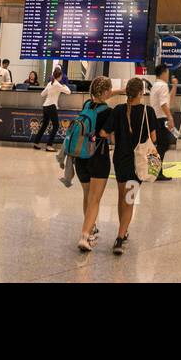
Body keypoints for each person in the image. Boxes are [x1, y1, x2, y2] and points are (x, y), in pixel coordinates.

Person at [105, 77, 161, 255]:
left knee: (122, 197)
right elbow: (153, 139)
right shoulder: (148, 111)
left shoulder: (118, 110)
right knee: (129, 200)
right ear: (141, 93)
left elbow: (106, 133)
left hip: (120, 159)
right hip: (138, 163)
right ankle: (120, 238)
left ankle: (124, 229)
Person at [75, 77, 114, 253]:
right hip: (99, 156)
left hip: (80, 156)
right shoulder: (109, 112)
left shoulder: (86, 105)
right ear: (106, 92)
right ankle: (84, 235)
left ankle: (90, 230)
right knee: (95, 199)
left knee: (87, 195)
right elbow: (108, 135)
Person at [148, 65, 176, 181]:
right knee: (163, 144)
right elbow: (164, 104)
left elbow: (169, 101)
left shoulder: (155, 85)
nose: (168, 75)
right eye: (167, 72)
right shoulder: (163, 85)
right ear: (164, 73)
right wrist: (170, 118)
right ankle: (156, 172)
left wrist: (174, 86)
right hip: (161, 119)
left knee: (160, 145)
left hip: (155, 119)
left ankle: (155, 171)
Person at [33, 66, 69, 150]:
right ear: (60, 76)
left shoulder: (50, 83)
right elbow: (68, 92)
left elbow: (42, 94)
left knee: (44, 125)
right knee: (56, 126)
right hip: (52, 106)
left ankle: (36, 142)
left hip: (45, 106)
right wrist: (64, 86)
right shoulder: (57, 84)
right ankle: (49, 145)